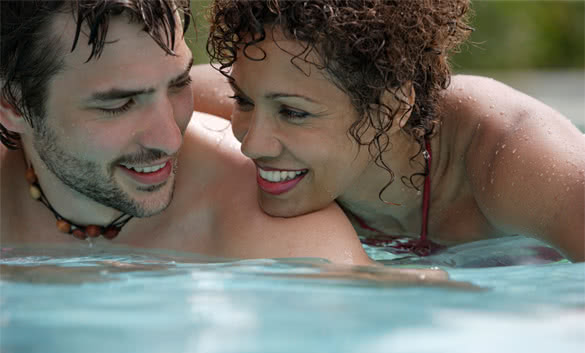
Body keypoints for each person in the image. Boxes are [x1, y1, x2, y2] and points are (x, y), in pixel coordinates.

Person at [0, 0, 382, 268]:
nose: (169, 139)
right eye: (118, 104)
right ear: (12, 106)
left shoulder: (291, 244)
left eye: (179, 83)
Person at [201, 0, 585, 262]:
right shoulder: (246, 95)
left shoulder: (517, 159)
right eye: (243, 101)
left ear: (391, 107)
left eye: (293, 113)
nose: (252, 143)